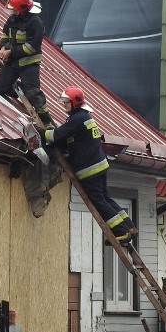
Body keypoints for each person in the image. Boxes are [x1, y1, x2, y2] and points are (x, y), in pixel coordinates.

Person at [43, 86, 136, 243]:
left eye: (66, 102)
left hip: (89, 169)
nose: (64, 105)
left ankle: (122, 232)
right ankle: (129, 227)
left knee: (98, 201)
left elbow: (56, 136)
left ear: (75, 102)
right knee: (105, 197)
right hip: (99, 164)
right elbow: (73, 139)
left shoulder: (77, 119)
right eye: (63, 101)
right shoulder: (85, 117)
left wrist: (41, 131)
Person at [0, 0, 51, 125]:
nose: (13, 12)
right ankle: (22, 90)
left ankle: (46, 121)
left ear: (23, 9)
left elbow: (31, 47)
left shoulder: (36, 23)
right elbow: (5, 35)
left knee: (33, 94)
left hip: (29, 64)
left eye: (15, 9)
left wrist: (11, 52)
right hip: (13, 62)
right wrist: (3, 47)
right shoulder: (12, 19)